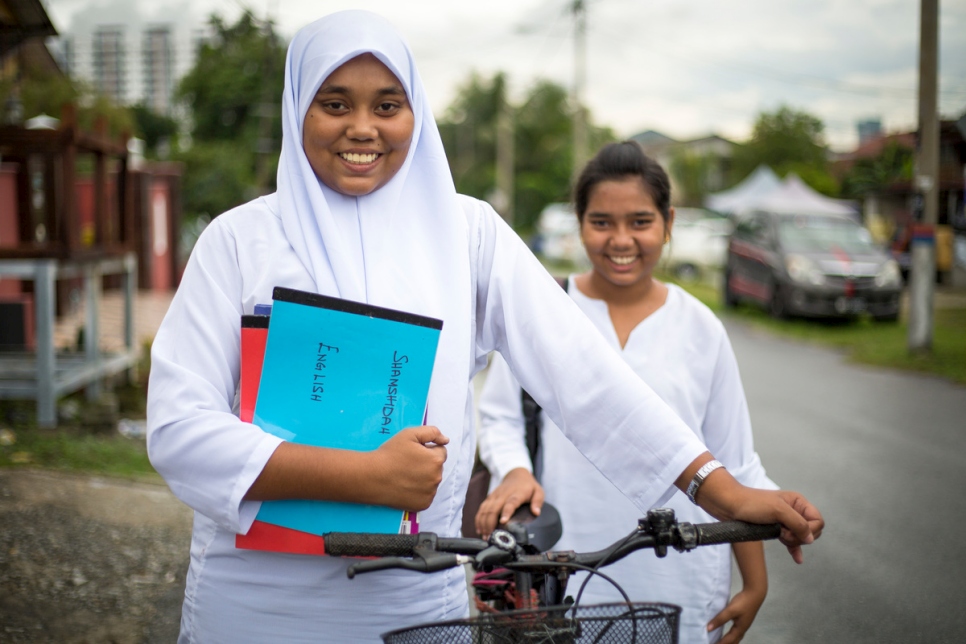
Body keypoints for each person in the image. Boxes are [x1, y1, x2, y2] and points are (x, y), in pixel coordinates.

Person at [146, 10, 823, 644]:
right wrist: (363, 477)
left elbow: (584, 374)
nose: (362, 127)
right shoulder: (238, 244)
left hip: (411, 605)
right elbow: (179, 430)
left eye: (387, 104)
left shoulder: (465, 236)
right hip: (256, 605)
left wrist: (719, 487)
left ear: (416, 110)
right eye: (334, 104)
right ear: (299, 109)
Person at [475, 141, 778, 643]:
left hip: (682, 573)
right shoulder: (546, 313)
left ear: (668, 222)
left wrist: (756, 582)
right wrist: (515, 470)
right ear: (579, 223)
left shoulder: (701, 328)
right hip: (568, 574)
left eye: (640, 221)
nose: (621, 240)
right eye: (601, 222)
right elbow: (502, 417)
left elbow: (734, 461)